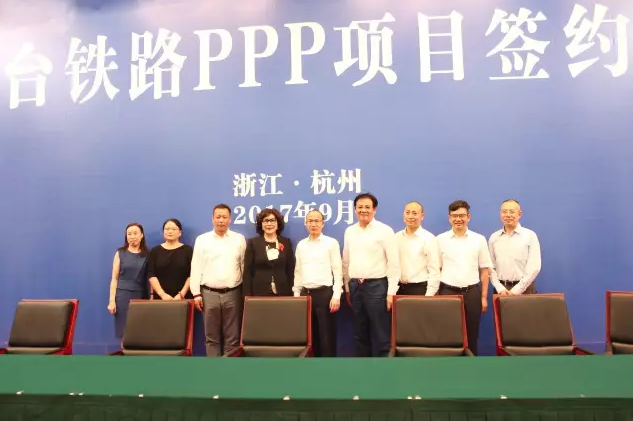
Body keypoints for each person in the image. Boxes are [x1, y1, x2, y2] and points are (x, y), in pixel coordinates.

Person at [342, 193, 400, 357]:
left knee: (381, 333)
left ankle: (385, 369)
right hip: (355, 286)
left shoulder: (385, 231)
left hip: (377, 287)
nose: (363, 210)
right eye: (360, 207)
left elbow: (394, 264)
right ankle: (364, 368)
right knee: (359, 333)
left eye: (367, 207)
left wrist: (391, 293)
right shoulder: (350, 231)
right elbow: (346, 261)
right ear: (355, 209)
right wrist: (347, 288)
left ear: (374, 209)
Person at [437, 200, 492, 356]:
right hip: (447, 292)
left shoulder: (479, 239)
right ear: (449, 218)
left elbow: (484, 270)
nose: (458, 219)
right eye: (454, 216)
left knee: (472, 334)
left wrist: (483, 297)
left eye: (462, 215)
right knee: (448, 334)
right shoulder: (440, 239)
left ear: (469, 217)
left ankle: (471, 367)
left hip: (472, 293)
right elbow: (437, 269)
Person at [190, 204, 246, 357]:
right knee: (211, 336)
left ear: (230, 219)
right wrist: (196, 294)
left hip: (233, 292)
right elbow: (196, 266)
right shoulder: (202, 240)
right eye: (218, 217)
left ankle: (230, 368)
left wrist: (244, 292)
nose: (221, 220)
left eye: (224, 217)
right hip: (208, 293)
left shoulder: (239, 239)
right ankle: (213, 369)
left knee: (233, 336)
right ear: (212, 219)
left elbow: (243, 266)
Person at [293, 209, 343, 357]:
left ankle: (328, 367)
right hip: (306, 294)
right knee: (309, 335)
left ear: (323, 224)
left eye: (316, 221)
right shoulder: (301, 245)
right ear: (305, 224)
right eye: (310, 221)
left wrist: (336, 296)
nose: (313, 224)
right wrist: (296, 295)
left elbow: (337, 270)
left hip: (325, 294)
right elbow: (298, 271)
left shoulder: (331, 243)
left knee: (326, 335)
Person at [489, 199, 542, 295]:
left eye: (512, 211)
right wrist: (499, 288)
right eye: (504, 211)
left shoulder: (530, 235)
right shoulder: (494, 237)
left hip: (525, 289)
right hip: (501, 290)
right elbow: (490, 266)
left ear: (519, 214)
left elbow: (534, 267)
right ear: (500, 214)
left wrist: (517, 290)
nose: (508, 215)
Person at [108, 222, 149, 340]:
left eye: (135, 233)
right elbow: (114, 278)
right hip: (122, 296)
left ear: (142, 235)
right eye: (129, 234)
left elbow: (150, 278)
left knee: (140, 330)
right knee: (124, 331)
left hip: (141, 295)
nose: (132, 236)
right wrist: (112, 301)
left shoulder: (148, 255)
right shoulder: (120, 253)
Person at [243, 208, 295, 296]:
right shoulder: (253, 243)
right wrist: (247, 295)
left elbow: (290, 270)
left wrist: (292, 293)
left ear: (278, 224)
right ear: (261, 224)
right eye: (266, 221)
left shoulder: (286, 242)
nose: (269, 224)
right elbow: (247, 272)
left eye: (273, 220)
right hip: (259, 292)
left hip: (283, 292)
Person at [396, 201, 440, 296]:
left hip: (420, 288)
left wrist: (429, 295)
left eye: (414, 213)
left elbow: (434, 270)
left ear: (422, 216)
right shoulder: (396, 237)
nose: (410, 216)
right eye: (407, 212)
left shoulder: (429, 238)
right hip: (399, 289)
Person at [148, 218, 193, 300]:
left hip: (183, 298)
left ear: (180, 232)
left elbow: (192, 274)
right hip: (161, 298)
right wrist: (162, 294)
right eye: (167, 229)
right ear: (163, 232)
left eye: (173, 229)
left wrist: (181, 294)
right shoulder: (155, 251)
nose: (170, 231)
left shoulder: (188, 250)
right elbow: (151, 274)